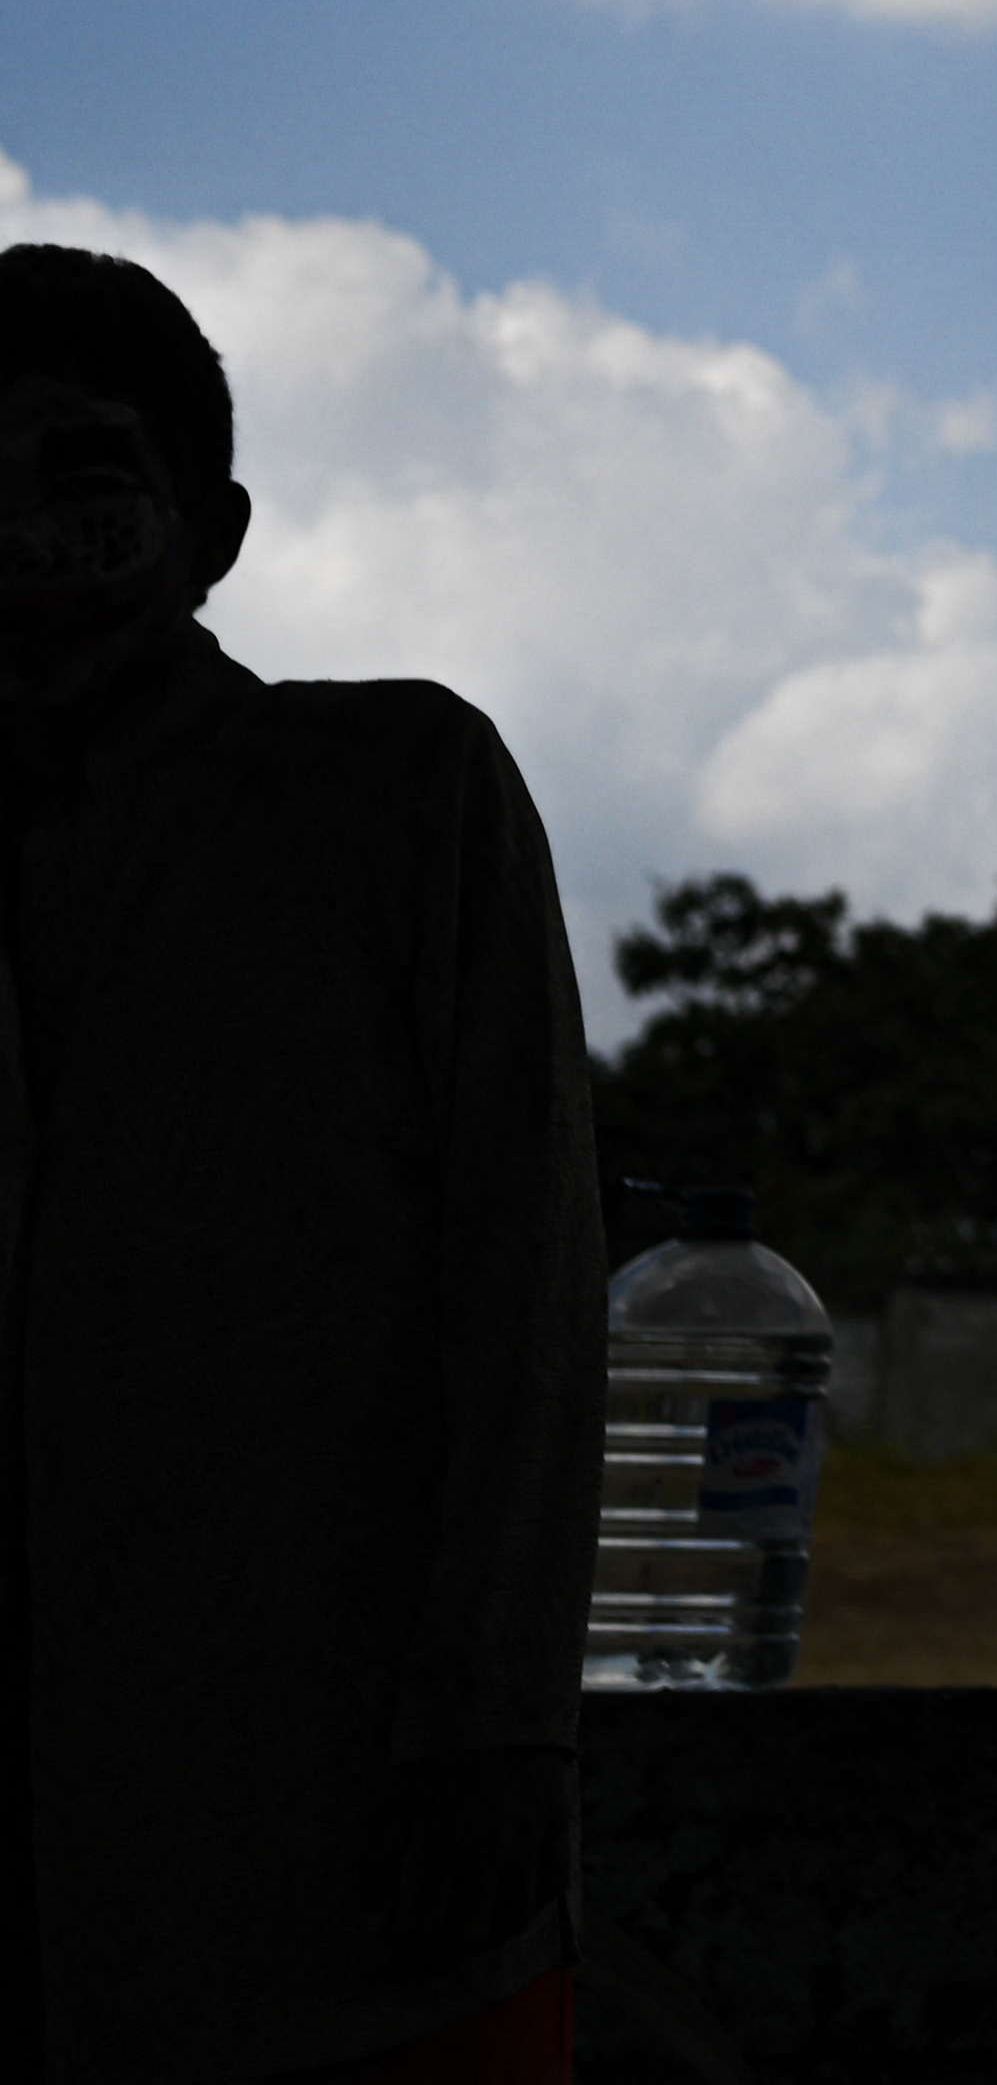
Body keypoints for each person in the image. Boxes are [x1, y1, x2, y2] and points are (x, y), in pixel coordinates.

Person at [1, 242, 604, 2084]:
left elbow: (527, 1274)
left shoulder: (397, 789)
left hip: (354, 1829)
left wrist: (498, 1713)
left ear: (215, 525)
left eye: (82, 476)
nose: (24, 538)